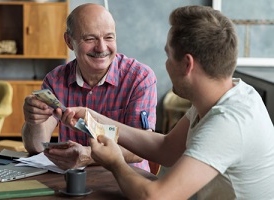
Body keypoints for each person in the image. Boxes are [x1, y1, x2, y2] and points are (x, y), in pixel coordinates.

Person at [56, 5, 274, 199]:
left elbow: (156, 196)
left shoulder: (229, 123)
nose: (166, 64)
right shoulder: (229, 94)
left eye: (168, 56)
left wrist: (115, 163)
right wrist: (93, 117)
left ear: (187, 65)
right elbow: (166, 148)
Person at [21, 3, 157, 172]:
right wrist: (32, 120)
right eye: (90, 39)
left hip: (127, 182)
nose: (101, 48)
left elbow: (142, 150)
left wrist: (88, 154)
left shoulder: (140, 78)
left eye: (109, 37)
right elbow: (36, 147)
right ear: (69, 42)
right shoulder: (55, 80)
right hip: (71, 181)